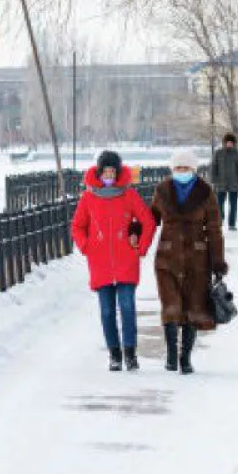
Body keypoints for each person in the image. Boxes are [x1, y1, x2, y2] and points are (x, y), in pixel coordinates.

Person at [72, 151, 156, 372]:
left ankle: (130, 353)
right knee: (107, 311)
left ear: (117, 172)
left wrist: (141, 247)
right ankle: (114, 354)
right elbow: (77, 226)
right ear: (99, 172)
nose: (109, 175)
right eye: (105, 171)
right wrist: (86, 246)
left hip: (126, 260)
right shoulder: (88, 197)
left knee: (127, 308)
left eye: (112, 171)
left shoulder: (128, 195)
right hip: (100, 263)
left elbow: (148, 221)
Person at [150, 149, 228, 375]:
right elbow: (150, 218)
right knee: (171, 306)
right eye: (177, 168)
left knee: (193, 308)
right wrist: (135, 230)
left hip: (197, 260)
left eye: (185, 168)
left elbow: (214, 229)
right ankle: (171, 356)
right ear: (172, 169)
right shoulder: (162, 191)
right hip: (167, 258)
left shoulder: (206, 193)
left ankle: (185, 358)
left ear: (193, 170)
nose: (181, 172)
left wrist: (218, 261)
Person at [209, 133, 238, 230]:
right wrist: (213, 180)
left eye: (231, 142)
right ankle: (220, 220)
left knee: (233, 205)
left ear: (234, 143)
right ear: (224, 143)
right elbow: (214, 167)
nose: (229, 144)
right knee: (219, 204)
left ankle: (232, 224)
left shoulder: (236, 153)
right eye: (227, 142)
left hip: (234, 183)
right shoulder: (218, 153)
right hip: (221, 183)